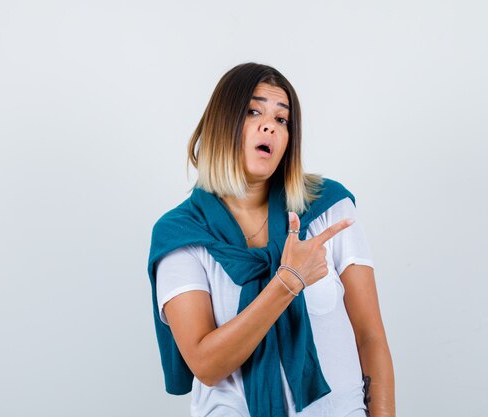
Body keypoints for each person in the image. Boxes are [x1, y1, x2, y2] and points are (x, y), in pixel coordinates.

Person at [147, 63, 395, 417]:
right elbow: (206, 363)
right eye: (253, 111)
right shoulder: (181, 234)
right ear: (220, 124)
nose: (270, 126)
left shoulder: (328, 209)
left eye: (283, 119)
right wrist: (288, 281)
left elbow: (370, 336)